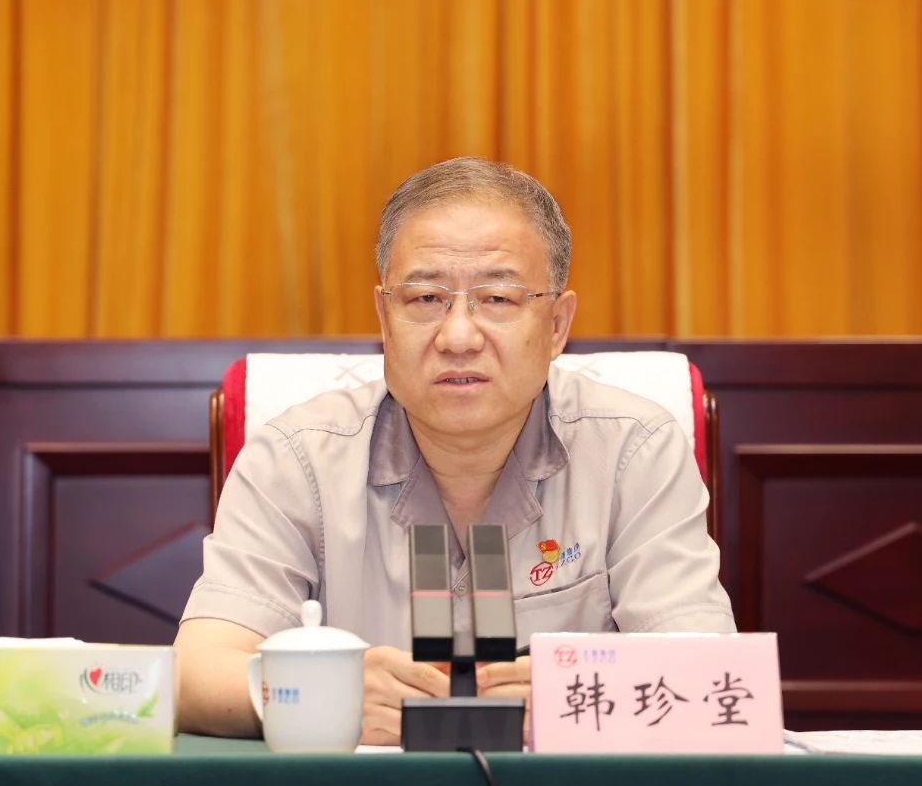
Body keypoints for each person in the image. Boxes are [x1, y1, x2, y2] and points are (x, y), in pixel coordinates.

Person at [175, 157, 735, 744]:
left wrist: (577, 698)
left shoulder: (634, 451)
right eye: (424, 298)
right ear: (384, 318)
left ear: (556, 326)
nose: (459, 337)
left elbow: (707, 674)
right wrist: (323, 695)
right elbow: (197, 672)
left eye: (498, 298)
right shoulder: (294, 459)